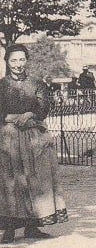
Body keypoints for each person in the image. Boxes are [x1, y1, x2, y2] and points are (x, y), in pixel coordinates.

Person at [0, 44, 68, 243]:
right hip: (8, 137)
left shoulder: (37, 83)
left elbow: (45, 106)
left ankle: (32, 227)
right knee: (10, 181)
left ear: (27, 61)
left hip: (33, 137)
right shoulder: (1, 85)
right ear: (7, 61)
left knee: (34, 179)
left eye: (22, 59)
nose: (18, 64)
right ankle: (9, 229)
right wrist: (10, 117)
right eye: (14, 60)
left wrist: (31, 113)